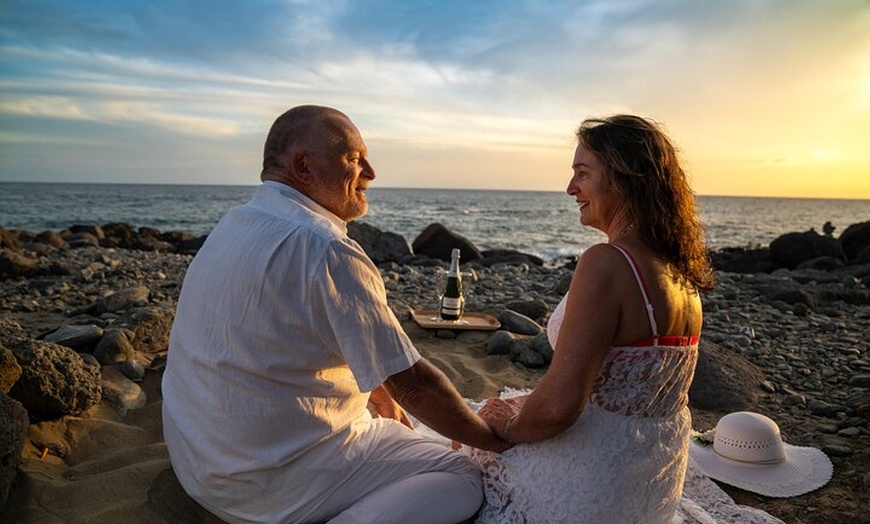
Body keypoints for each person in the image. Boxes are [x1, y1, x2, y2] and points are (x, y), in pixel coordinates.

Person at [162, 105, 510, 524]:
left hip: (201, 469)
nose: (371, 172)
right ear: (303, 166)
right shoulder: (324, 246)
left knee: (404, 426)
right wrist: (492, 442)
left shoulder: (236, 224)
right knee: (464, 474)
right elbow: (415, 385)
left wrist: (377, 389)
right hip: (271, 485)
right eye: (354, 158)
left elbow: (295, 335)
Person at [462, 115, 715, 523]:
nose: (570, 189)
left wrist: (507, 427)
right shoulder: (679, 273)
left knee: (461, 452)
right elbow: (626, 392)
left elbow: (559, 409)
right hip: (650, 486)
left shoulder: (608, 263)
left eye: (583, 173)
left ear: (625, 178)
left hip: (594, 488)